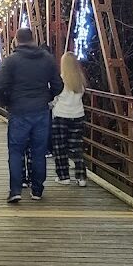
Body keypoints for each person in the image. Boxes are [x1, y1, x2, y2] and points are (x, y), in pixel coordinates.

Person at [0, 28, 63, 203]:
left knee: (16, 151)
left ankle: (16, 190)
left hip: (18, 110)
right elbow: (58, 85)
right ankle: (37, 190)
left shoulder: (11, 61)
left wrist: (7, 102)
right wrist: (46, 97)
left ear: (17, 40)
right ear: (33, 39)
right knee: (39, 151)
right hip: (41, 111)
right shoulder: (47, 59)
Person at [52, 52, 88, 187]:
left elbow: (54, 98)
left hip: (61, 116)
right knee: (76, 147)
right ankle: (81, 177)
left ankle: (63, 176)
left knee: (60, 147)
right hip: (78, 115)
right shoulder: (81, 81)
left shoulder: (60, 81)